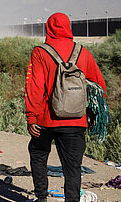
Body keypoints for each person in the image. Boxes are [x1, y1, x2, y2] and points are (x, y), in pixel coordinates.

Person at [25, 13, 106, 202]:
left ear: (48, 28)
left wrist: (31, 117)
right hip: (76, 120)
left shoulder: (40, 52)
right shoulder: (82, 51)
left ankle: (41, 198)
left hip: (45, 120)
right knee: (72, 167)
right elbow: (99, 86)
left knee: (38, 155)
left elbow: (34, 87)